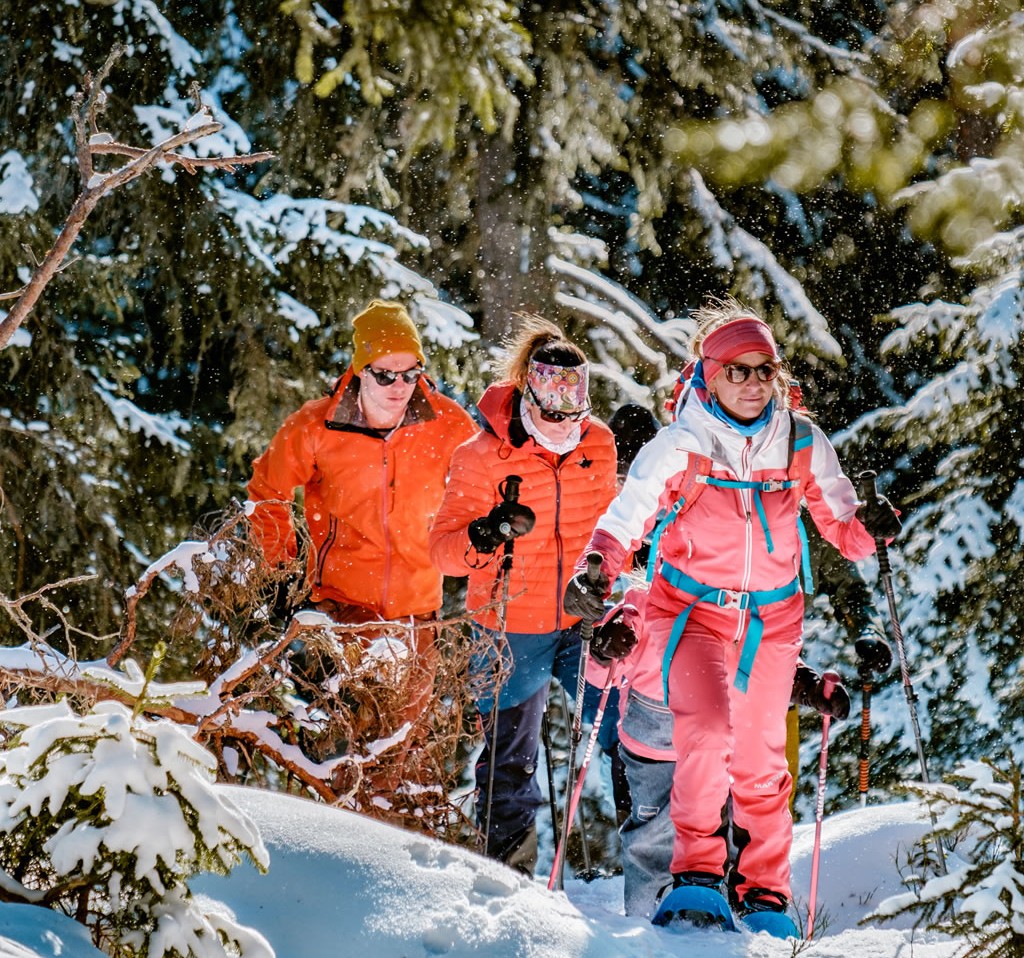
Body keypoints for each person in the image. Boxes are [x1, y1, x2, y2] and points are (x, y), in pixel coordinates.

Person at [564, 297, 900, 934]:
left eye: (763, 370)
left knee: (761, 759)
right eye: (736, 370)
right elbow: (626, 516)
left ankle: (766, 895)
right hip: (688, 610)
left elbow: (845, 530)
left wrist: (874, 529)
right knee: (707, 734)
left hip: (771, 620)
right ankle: (696, 878)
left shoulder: (801, 443)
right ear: (708, 374)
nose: (752, 383)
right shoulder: (681, 444)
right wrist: (597, 569)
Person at [246, 299, 478, 788]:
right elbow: (266, 489)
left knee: (405, 754)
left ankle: (390, 855)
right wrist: (282, 568)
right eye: (385, 375)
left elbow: (491, 479)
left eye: (410, 374)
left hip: (418, 617)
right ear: (360, 370)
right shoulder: (316, 426)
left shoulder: (448, 425)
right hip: (341, 611)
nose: (399, 387)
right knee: (339, 753)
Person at [428, 315, 618, 875]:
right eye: (549, 407)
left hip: (585, 618)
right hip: (511, 625)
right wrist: (484, 534)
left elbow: (616, 529)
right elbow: (442, 551)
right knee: (511, 757)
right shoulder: (481, 454)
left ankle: (659, 873)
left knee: (626, 730)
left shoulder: (599, 445)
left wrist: (609, 583)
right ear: (527, 393)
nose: (561, 419)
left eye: (573, 407)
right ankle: (509, 874)